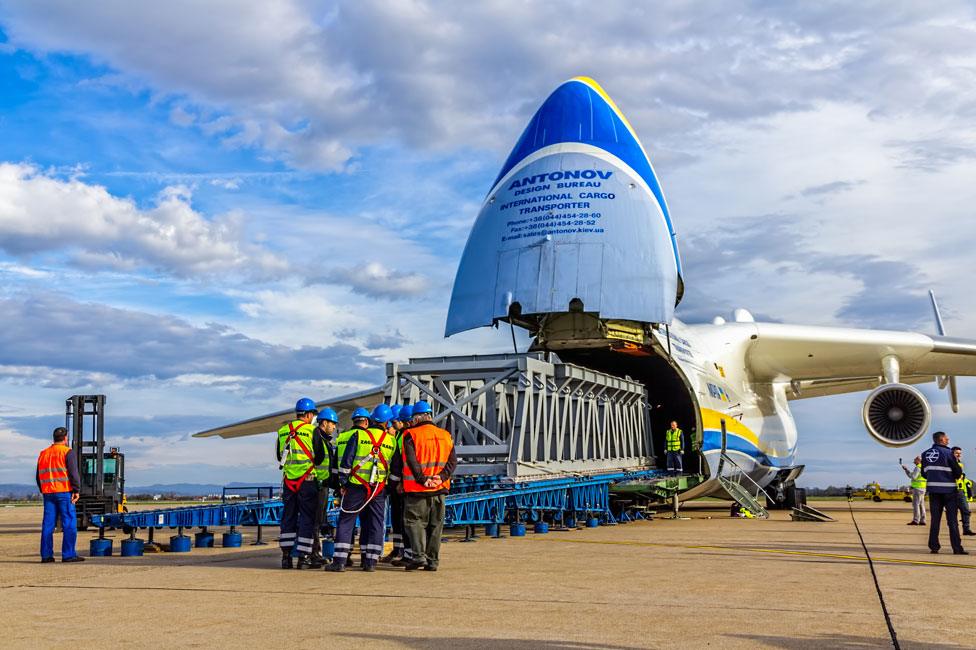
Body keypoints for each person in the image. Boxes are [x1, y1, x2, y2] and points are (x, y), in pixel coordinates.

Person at [327, 403, 397, 572]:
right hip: (378, 489)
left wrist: (343, 484)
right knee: (375, 523)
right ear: (387, 422)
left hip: (356, 487)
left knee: (346, 521)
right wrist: (389, 488)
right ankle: (370, 562)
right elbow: (395, 469)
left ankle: (340, 561)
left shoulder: (358, 436)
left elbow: (346, 464)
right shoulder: (391, 441)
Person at [401, 400, 457, 571]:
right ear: (430, 415)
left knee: (414, 522)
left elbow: (412, 460)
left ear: (417, 417)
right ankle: (433, 561)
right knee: (435, 526)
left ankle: (418, 557)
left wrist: (422, 479)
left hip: (418, 489)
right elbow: (452, 461)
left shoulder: (410, 434)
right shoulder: (445, 435)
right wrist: (441, 477)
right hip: (439, 489)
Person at [276, 397, 327, 569]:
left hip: (289, 482)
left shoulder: (283, 431)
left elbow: (279, 456)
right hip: (307, 481)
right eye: (312, 414)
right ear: (308, 414)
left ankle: (286, 556)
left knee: (288, 517)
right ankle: (303, 557)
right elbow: (319, 456)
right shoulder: (312, 431)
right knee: (307, 518)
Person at [36, 427, 83, 563]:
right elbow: (73, 473)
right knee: (68, 523)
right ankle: (68, 555)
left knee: (48, 525)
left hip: (48, 493)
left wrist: (44, 489)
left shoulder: (43, 453)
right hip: (64, 492)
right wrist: (76, 490)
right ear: (66, 438)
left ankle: (46, 556)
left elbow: (38, 476)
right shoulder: (67, 452)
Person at [332, 406, 370, 568]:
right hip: (369, 486)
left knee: (346, 522)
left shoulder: (342, 437)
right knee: (368, 522)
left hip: (347, 486)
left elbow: (336, 464)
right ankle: (367, 559)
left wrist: (340, 485)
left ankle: (342, 557)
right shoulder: (369, 437)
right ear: (367, 421)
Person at [920, 431, 966, 554]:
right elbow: (958, 472)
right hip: (949, 491)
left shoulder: (925, 454)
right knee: (952, 521)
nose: (948, 440)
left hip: (933, 491)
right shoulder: (948, 453)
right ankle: (957, 548)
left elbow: (924, 474)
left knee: (935, 520)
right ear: (941, 440)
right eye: (946, 438)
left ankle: (934, 547)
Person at [382, 404, 413, 566]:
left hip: (403, 485)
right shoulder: (399, 435)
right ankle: (398, 549)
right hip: (396, 485)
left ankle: (406, 551)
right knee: (396, 520)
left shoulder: (405, 436)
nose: (392, 425)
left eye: (394, 422)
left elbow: (400, 463)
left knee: (404, 519)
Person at [309, 407, 339, 567]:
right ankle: (313, 553)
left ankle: (313, 552)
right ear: (324, 422)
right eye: (332, 423)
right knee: (315, 521)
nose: (334, 427)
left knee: (318, 520)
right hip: (317, 486)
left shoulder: (325, 439)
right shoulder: (317, 438)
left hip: (323, 485)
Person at [951, 447, 975, 536]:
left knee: (966, 510)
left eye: (960, 453)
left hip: (960, 491)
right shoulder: (948, 463)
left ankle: (966, 529)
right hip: (951, 491)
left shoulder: (960, 464)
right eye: (957, 453)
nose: (959, 455)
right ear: (952, 453)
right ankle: (954, 531)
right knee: (952, 513)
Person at [901, 456, 926, 525]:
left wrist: (906, 470)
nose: (914, 460)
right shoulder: (924, 467)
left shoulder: (918, 467)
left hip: (917, 488)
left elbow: (913, 477)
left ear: (919, 460)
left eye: (915, 459)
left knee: (916, 505)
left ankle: (916, 520)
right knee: (921, 505)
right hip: (923, 488)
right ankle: (923, 520)